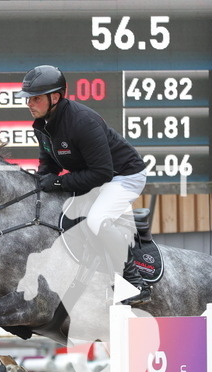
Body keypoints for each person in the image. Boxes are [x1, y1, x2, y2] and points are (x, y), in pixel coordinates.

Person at [18, 64, 151, 306]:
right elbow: (48, 165)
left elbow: (101, 173)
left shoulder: (82, 122)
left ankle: (135, 282)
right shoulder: (43, 125)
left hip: (124, 176)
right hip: (95, 176)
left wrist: (58, 181)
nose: (29, 103)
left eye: (35, 98)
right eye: (28, 98)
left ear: (55, 97)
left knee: (96, 220)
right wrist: (40, 183)